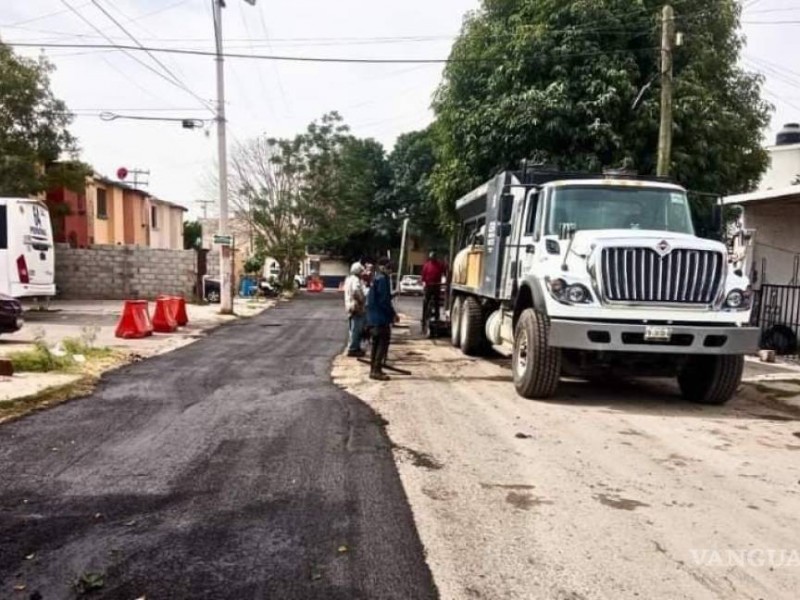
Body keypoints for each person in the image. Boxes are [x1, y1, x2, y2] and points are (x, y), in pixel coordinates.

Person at [366, 257, 397, 381]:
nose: (390, 270)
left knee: (375, 344)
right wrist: (393, 314)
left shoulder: (376, 278)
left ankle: (373, 369)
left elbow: (380, 297)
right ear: (383, 267)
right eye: (389, 267)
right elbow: (384, 301)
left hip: (373, 317)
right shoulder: (383, 279)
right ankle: (377, 371)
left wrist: (391, 295)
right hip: (381, 318)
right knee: (382, 344)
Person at [344, 261, 367, 357]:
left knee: (353, 328)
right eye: (361, 271)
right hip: (356, 306)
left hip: (350, 306)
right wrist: (362, 299)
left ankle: (355, 347)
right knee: (356, 328)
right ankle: (353, 348)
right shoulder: (355, 280)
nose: (363, 273)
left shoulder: (349, 279)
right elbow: (356, 290)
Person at [421, 251, 446, 327]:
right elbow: (423, 276)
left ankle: (436, 317)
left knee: (437, 302)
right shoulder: (426, 265)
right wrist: (424, 283)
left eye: (434, 258)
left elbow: (444, 272)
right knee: (426, 302)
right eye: (431, 258)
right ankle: (424, 317)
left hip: (436, 286)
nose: (432, 259)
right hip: (428, 286)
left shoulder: (439, 265)